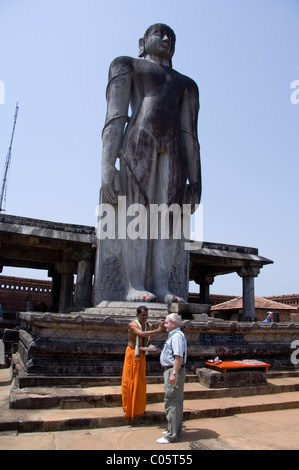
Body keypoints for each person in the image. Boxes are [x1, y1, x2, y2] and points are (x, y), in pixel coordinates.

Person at [95, 23, 201, 305]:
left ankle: (162, 285)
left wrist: (196, 180)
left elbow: (191, 134)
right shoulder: (127, 64)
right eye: (160, 34)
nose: (167, 39)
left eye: (172, 37)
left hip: (175, 145)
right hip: (140, 137)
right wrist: (107, 165)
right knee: (137, 212)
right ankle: (135, 284)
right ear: (143, 41)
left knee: (169, 215)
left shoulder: (187, 84)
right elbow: (115, 116)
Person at [122, 305, 164, 419]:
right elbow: (140, 334)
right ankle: (128, 407)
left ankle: (139, 408)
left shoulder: (148, 326)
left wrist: (150, 346)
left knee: (140, 382)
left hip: (141, 355)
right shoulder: (132, 325)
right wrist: (158, 330)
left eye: (146, 315)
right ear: (137, 315)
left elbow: (147, 341)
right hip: (132, 355)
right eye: (143, 315)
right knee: (130, 380)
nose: (145, 317)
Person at [157, 313, 187, 444]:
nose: (164, 325)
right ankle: (174, 429)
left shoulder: (176, 337)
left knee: (172, 401)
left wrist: (173, 373)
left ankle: (171, 435)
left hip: (173, 370)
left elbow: (178, 356)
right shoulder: (175, 336)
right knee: (176, 401)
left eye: (166, 323)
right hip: (172, 370)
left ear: (173, 324)